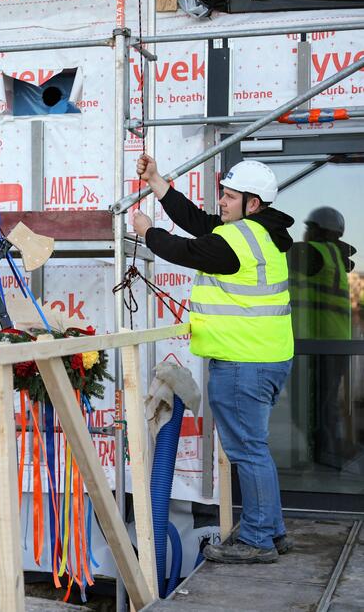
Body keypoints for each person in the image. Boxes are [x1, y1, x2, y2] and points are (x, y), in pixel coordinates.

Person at [133, 155, 295, 564]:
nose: (221, 202)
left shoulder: (237, 242)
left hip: (244, 363)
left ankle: (258, 540)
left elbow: (184, 248)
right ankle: (272, 531)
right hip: (265, 359)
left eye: (229, 196)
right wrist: (157, 184)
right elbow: (198, 222)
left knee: (247, 451)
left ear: (252, 203)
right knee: (255, 448)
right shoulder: (257, 234)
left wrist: (147, 232)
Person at [289, 207, 355, 469]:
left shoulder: (312, 253)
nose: (305, 233)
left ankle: (326, 457)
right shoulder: (335, 256)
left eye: (309, 228)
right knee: (322, 405)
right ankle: (323, 454)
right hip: (332, 341)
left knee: (311, 407)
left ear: (319, 231)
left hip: (316, 342)